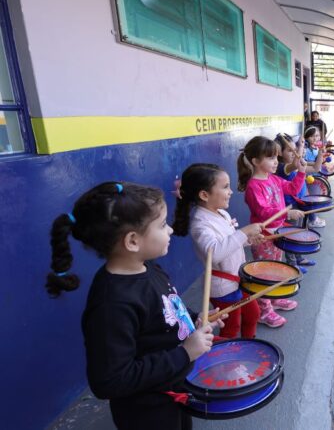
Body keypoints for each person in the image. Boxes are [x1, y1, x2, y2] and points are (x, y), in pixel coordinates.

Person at [46, 181, 223, 430]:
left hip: (175, 390)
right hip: (148, 412)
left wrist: (194, 318)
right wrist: (184, 353)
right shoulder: (112, 304)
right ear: (132, 241)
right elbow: (109, 381)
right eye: (162, 225)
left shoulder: (147, 266)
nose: (170, 230)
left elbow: (166, 310)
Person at [172, 163, 275, 338]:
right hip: (223, 286)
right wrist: (243, 232)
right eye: (225, 187)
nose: (231, 191)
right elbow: (215, 252)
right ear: (204, 195)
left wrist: (248, 239)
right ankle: (230, 359)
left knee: (253, 314)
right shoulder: (200, 224)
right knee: (231, 326)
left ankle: (249, 344)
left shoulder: (221, 213)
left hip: (239, 278)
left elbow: (229, 243)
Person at [237, 136, 306, 328]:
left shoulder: (274, 179)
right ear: (256, 161)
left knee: (276, 266)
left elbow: (292, 189)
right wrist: (286, 212)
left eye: (276, 157)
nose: (276, 161)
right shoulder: (253, 185)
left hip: (278, 231)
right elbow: (263, 211)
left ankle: (275, 298)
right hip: (263, 236)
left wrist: (300, 172)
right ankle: (264, 311)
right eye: (271, 158)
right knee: (265, 272)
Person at [276, 133, 320, 270]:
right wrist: (300, 146)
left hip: (299, 203)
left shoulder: (291, 165)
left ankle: (299, 257)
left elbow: (316, 168)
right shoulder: (283, 167)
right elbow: (296, 163)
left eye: (294, 149)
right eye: (290, 150)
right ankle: (292, 264)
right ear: (279, 153)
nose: (293, 153)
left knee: (298, 232)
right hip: (289, 206)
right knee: (290, 234)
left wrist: (321, 153)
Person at [303, 126, 327, 228]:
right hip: (309, 176)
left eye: (317, 136)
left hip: (316, 175)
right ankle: (312, 220)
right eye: (312, 136)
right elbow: (304, 162)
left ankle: (313, 217)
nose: (315, 138)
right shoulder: (306, 150)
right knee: (311, 199)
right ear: (306, 137)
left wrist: (322, 156)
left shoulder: (317, 148)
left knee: (315, 196)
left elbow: (319, 160)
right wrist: (316, 162)